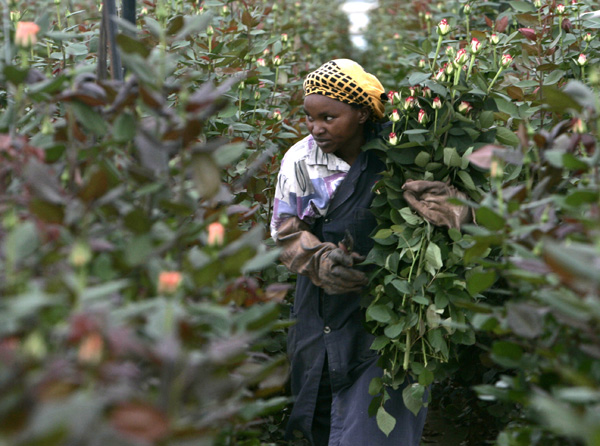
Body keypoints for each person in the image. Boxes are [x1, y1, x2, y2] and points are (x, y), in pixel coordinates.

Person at [270, 59, 428, 446]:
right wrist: (320, 259)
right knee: (319, 406)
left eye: (329, 117)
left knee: (379, 414)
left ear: (360, 113)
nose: (316, 128)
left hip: (391, 309)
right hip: (322, 304)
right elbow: (287, 230)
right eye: (309, 117)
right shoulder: (303, 162)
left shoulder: (398, 152)